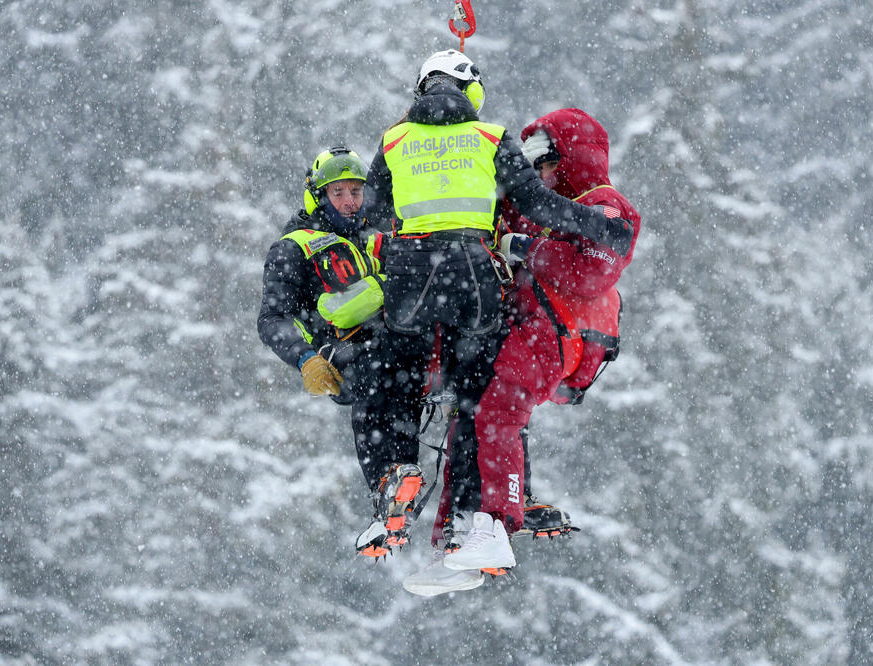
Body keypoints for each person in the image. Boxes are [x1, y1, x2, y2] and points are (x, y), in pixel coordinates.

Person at [358, 50, 636, 589]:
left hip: (413, 282)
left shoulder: (394, 139)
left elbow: (372, 211)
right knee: (479, 399)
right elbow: (536, 201)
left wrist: (401, 238)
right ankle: (486, 517)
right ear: (472, 90)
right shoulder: (489, 137)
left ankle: (402, 478)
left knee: (392, 374)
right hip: (475, 282)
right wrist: (594, 227)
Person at [257, 146, 424, 559]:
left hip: (401, 344)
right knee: (377, 375)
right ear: (318, 196)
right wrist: (304, 358)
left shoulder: (378, 234)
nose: (351, 201)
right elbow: (272, 318)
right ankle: (384, 484)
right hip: (345, 349)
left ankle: (403, 488)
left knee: (410, 382)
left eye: (357, 191)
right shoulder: (295, 247)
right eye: (340, 193)